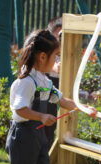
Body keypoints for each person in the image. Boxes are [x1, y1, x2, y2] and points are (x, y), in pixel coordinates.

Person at [4, 29, 96, 164]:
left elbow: (61, 100)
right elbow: (19, 109)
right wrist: (41, 116)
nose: (57, 60)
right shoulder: (26, 82)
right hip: (23, 135)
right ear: (42, 57)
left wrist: (83, 108)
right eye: (56, 56)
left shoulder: (44, 80)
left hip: (39, 135)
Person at [45, 17, 62, 150]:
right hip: (46, 87)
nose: (60, 40)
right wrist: (55, 67)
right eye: (58, 36)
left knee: (52, 125)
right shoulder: (46, 50)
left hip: (59, 86)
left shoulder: (67, 52)